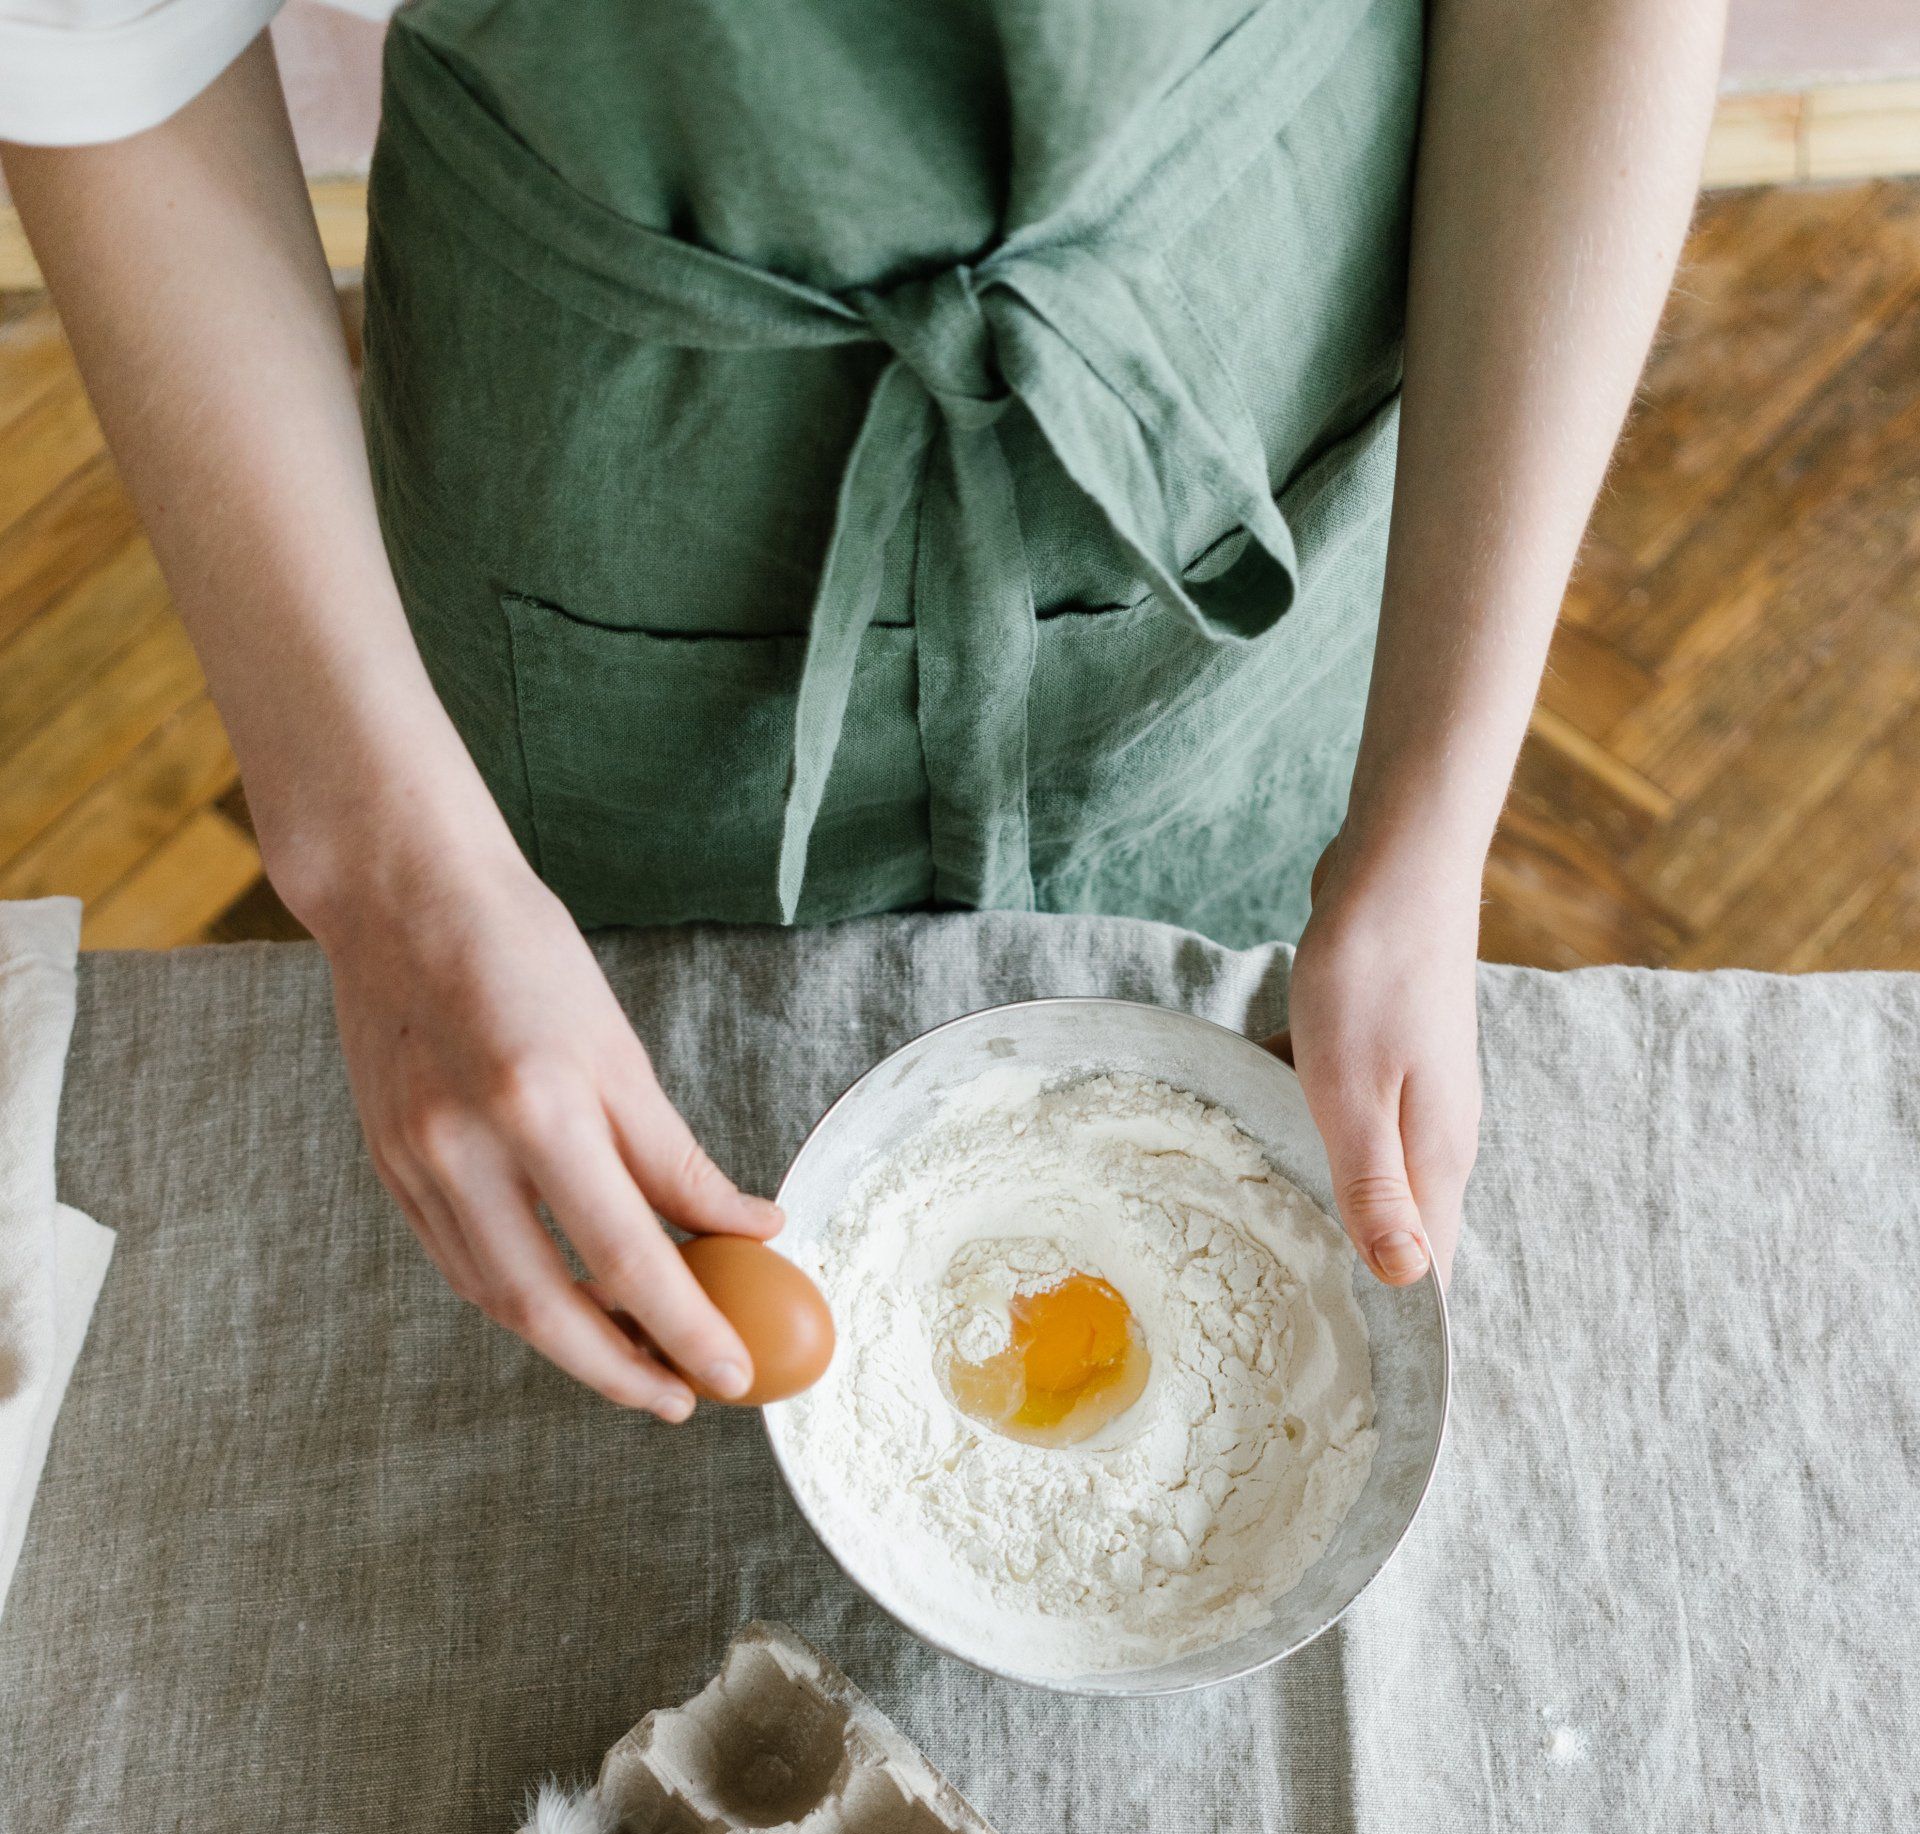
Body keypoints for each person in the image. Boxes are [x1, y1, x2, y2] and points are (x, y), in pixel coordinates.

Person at [2, 0, 1725, 1420]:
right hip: (623, 434)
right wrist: (386, 867)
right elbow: (101, 60)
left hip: (1233, 359)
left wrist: (1428, 815)